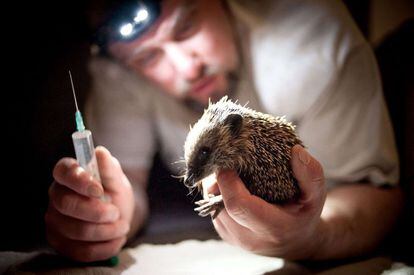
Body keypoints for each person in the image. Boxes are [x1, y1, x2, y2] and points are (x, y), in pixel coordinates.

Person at [45, 0, 403, 262]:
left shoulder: (310, 41)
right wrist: (110, 217)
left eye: (186, 28)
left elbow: (374, 190)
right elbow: (125, 185)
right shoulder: (117, 69)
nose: (187, 69)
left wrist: (309, 238)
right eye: (148, 58)